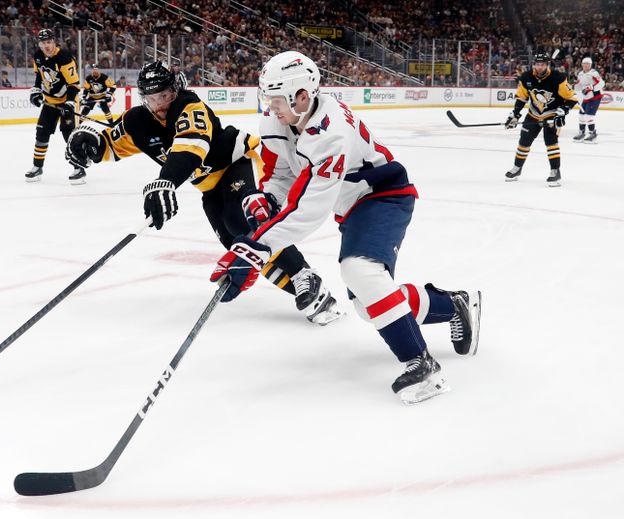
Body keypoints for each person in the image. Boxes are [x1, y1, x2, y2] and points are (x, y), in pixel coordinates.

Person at [208, 51, 482, 404]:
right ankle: (453, 304)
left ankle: (422, 366)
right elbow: (280, 175)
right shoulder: (277, 122)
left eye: (276, 100)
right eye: (268, 99)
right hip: (353, 204)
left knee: (360, 271)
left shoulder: (329, 131)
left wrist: (256, 247)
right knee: (368, 306)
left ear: (302, 96)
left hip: (383, 194)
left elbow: (309, 210)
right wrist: (268, 201)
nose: (270, 107)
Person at [65, 60, 343, 325]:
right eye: (152, 99)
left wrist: (166, 181)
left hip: (237, 163)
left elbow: (190, 148)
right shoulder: (137, 122)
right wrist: (89, 145)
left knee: (242, 221)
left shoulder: (189, 106)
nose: (159, 104)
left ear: (176, 89)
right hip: (209, 187)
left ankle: (303, 273)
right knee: (236, 246)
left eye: (164, 95)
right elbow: (111, 146)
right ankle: (310, 294)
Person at [503, 53, 577, 187]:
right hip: (533, 113)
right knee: (524, 141)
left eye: (542, 64)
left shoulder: (558, 78)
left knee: (551, 142)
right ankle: (517, 168)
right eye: (537, 64)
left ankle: (555, 171)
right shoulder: (526, 77)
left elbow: (572, 98)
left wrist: (562, 112)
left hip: (552, 114)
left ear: (547, 65)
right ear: (533, 65)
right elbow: (521, 97)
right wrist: (515, 114)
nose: (539, 67)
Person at [25, 28, 84, 185]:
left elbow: (74, 84)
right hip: (50, 102)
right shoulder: (38, 56)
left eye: (49, 42)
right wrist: (36, 92)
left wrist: (70, 103)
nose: (47, 46)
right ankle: (37, 167)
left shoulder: (64, 58)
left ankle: (79, 168)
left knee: (69, 135)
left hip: (67, 100)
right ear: (39, 44)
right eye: (44, 43)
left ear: (54, 42)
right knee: (41, 133)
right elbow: (40, 77)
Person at [573, 57, 604, 143]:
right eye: (584, 63)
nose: (586, 65)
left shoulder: (594, 73)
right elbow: (579, 85)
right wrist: (573, 88)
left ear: (590, 65)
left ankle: (593, 134)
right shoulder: (580, 74)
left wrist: (591, 88)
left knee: (588, 116)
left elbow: (601, 83)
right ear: (582, 64)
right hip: (586, 97)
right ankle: (582, 133)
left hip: (595, 97)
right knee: (581, 115)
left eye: (588, 64)